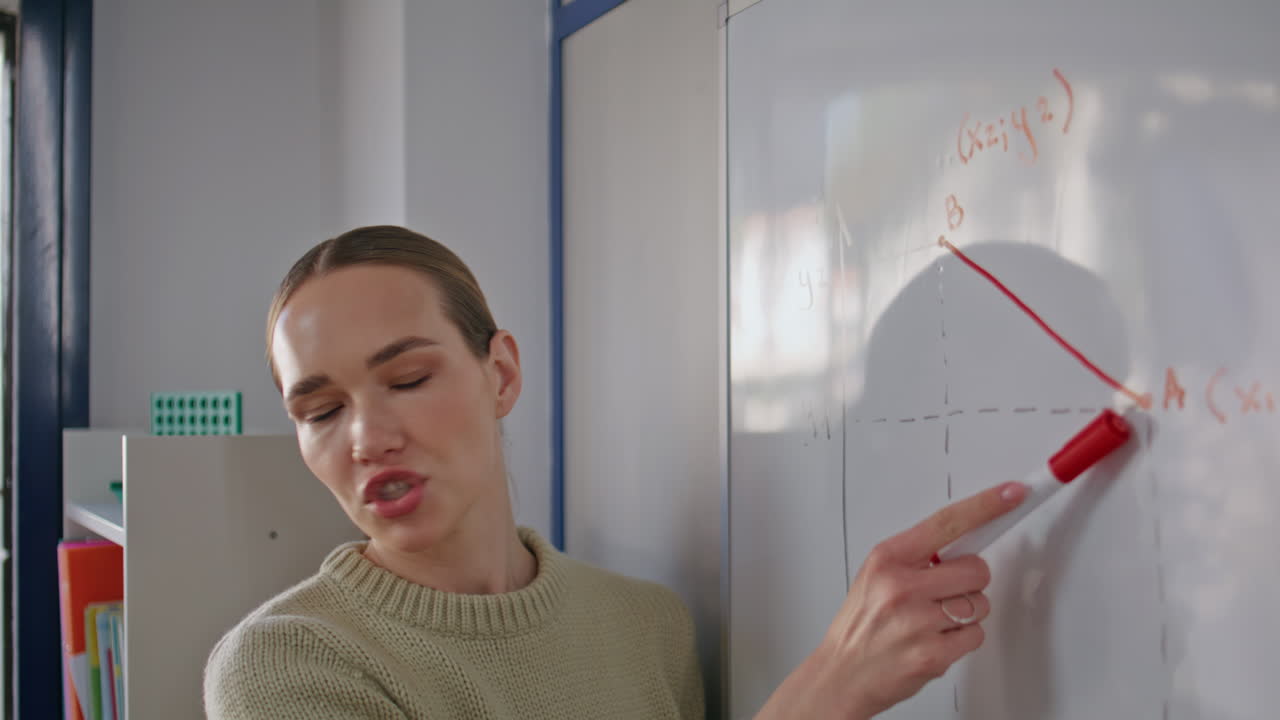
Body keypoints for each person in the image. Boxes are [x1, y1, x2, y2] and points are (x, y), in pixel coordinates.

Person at [203, 225, 1028, 719]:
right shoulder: (285, 667)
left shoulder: (649, 629)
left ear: (501, 376)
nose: (366, 436)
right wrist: (823, 692)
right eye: (320, 411)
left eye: (408, 379)